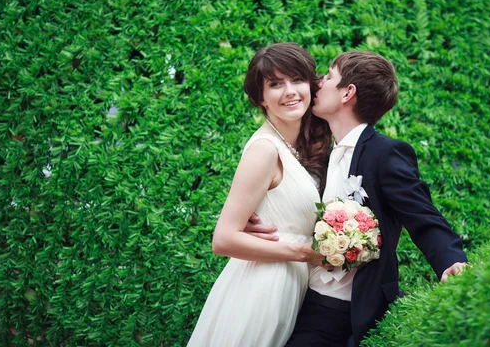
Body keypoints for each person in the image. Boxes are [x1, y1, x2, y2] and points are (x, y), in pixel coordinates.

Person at [248, 51, 468, 346]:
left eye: (328, 76)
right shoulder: (321, 152)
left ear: (347, 93)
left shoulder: (385, 153)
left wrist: (450, 262)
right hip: (302, 298)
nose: (318, 82)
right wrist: (260, 222)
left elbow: (424, 218)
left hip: (346, 309)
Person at [187, 43, 332, 347]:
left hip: (288, 285)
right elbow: (223, 239)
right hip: (261, 290)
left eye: (297, 80)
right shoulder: (265, 150)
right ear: (260, 98)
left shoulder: (299, 146)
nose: (289, 91)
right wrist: (303, 253)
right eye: (275, 84)